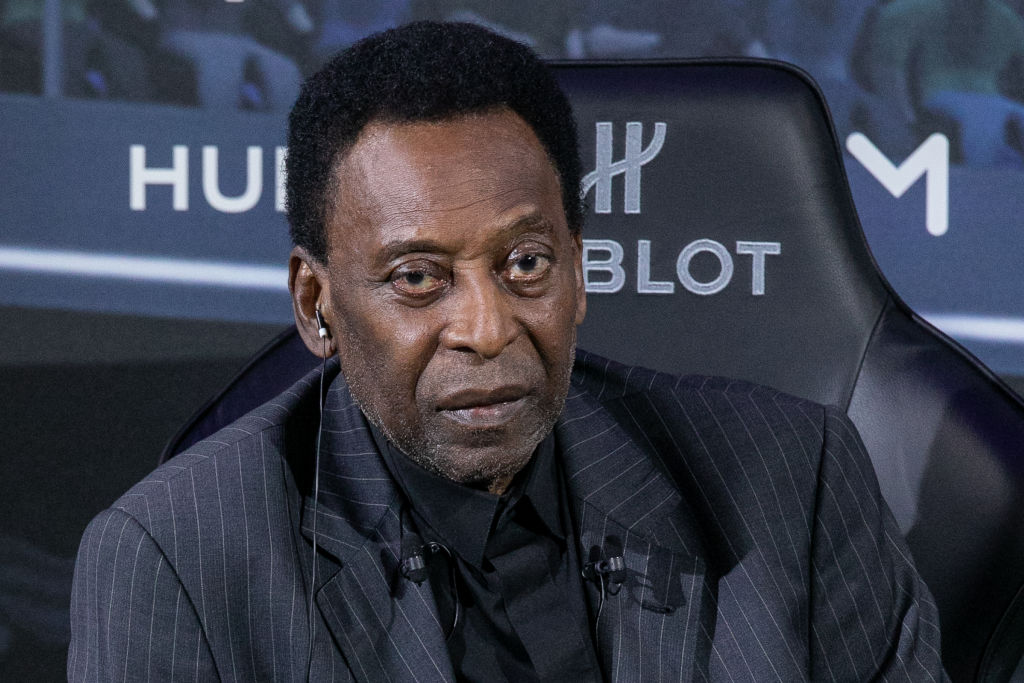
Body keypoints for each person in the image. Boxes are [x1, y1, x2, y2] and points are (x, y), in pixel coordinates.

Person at [68, 21, 947, 681]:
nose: (487, 328)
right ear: (316, 303)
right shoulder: (177, 561)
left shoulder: (794, 482)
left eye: (525, 263)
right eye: (418, 278)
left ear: (578, 270)